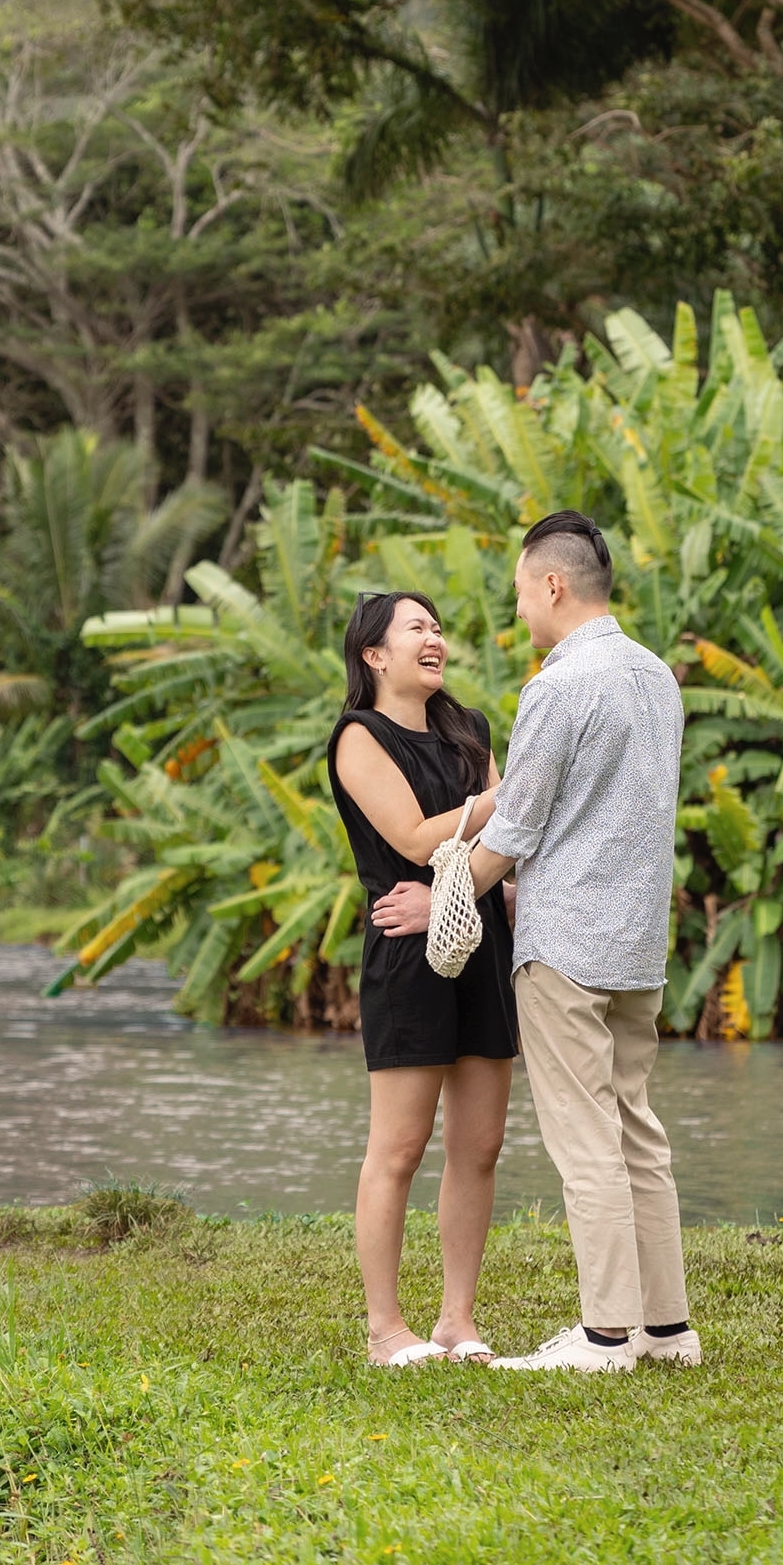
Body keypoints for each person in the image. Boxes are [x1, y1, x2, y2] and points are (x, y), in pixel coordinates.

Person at [370, 511, 699, 1373]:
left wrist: (441, 900)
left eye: (520, 593)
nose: (519, 612)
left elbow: (514, 826)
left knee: (588, 1141)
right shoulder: (657, 677)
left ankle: (603, 1338)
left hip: (565, 948)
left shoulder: (558, 686)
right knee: (638, 1134)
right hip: (637, 944)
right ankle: (667, 1330)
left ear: (552, 585)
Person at [327, 590, 518, 1368]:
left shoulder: (466, 730)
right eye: (417, 629)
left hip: (486, 941)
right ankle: (384, 1329)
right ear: (375, 654)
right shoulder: (358, 738)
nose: (434, 638)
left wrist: (466, 881)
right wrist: (508, 795)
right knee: (399, 1146)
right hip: (406, 946)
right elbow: (409, 833)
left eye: (438, 627)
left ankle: (456, 1320)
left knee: (481, 1143)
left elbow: (510, 840)